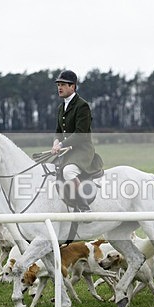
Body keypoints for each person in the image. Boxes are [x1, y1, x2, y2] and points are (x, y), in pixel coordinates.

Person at [50, 69, 102, 212]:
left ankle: (84, 207)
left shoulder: (82, 106)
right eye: (58, 85)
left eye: (63, 84)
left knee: (68, 172)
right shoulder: (61, 107)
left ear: (72, 86)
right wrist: (56, 142)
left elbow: (81, 134)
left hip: (82, 151)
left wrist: (61, 144)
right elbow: (58, 131)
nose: (59, 87)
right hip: (67, 151)